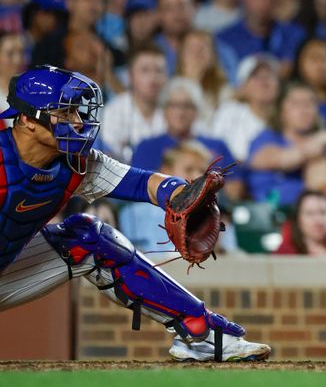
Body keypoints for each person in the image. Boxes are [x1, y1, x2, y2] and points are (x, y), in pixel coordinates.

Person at [0, 65, 270, 361]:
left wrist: (181, 195)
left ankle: (201, 333)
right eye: (64, 114)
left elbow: (143, 183)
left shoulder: (74, 163)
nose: (77, 122)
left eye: (77, 112)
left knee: (88, 238)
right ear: (27, 120)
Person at [247, 81, 326, 206]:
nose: (304, 109)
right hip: (273, 211)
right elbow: (278, 159)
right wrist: (322, 145)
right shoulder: (267, 138)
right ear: (281, 110)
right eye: (296, 104)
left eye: (310, 103)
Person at [100, 45, 168, 162]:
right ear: (130, 76)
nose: (153, 78)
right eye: (145, 70)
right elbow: (107, 157)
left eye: (159, 71)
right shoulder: (113, 111)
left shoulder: (175, 109)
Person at [209, 54, 279, 163]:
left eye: (269, 76)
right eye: (256, 77)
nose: (264, 82)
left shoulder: (286, 117)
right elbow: (213, 150)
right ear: (242, 87)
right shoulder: (229, 112)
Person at [274, 190, 326, 255]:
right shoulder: (286, 254)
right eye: (310, 213)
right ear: (298, 220)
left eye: (323, 212)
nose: (318, 220)